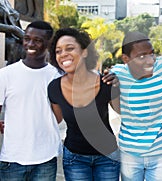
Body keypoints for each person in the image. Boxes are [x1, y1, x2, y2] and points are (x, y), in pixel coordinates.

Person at [109, 31, 162, 181]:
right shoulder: (117, 75)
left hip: (161, 154)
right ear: (126, 59)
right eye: (142, 56)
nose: (150, 60)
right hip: (130, 154)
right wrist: (113, 89)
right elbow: (118, 110)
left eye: (152, 53)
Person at [48, 28, 120, 181]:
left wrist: (117, 87)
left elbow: (121, 111)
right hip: (75, 158)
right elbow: (56, 119)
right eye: (58, 51)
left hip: (108, 157)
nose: (63, 54)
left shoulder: (106, 82)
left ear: (85, 52)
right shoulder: (54, 88)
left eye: (70, 48)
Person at [0, 21, 62, 180]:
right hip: (12, 158)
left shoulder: (57, 76)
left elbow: (58, 117)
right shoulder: (6, 74)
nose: (30, 43)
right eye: (27, 38)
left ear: (48, 43)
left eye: (38, 40)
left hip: (46, 158)